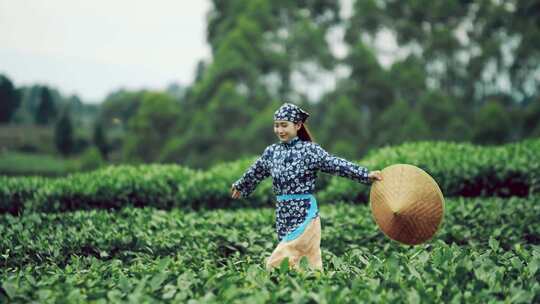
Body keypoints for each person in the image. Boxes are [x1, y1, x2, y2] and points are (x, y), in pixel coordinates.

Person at [230, 103, 382, 271]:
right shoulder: (271, 152)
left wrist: (365, 175)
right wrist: (241, 185)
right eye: (276, 125)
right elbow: (255, 171)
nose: (279, 130)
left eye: (284, 125)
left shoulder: (309, 151)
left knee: (277, 263)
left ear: (297, 125)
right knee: (302, 263)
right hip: (283, 214)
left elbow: (336, 164)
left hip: (305, 214)